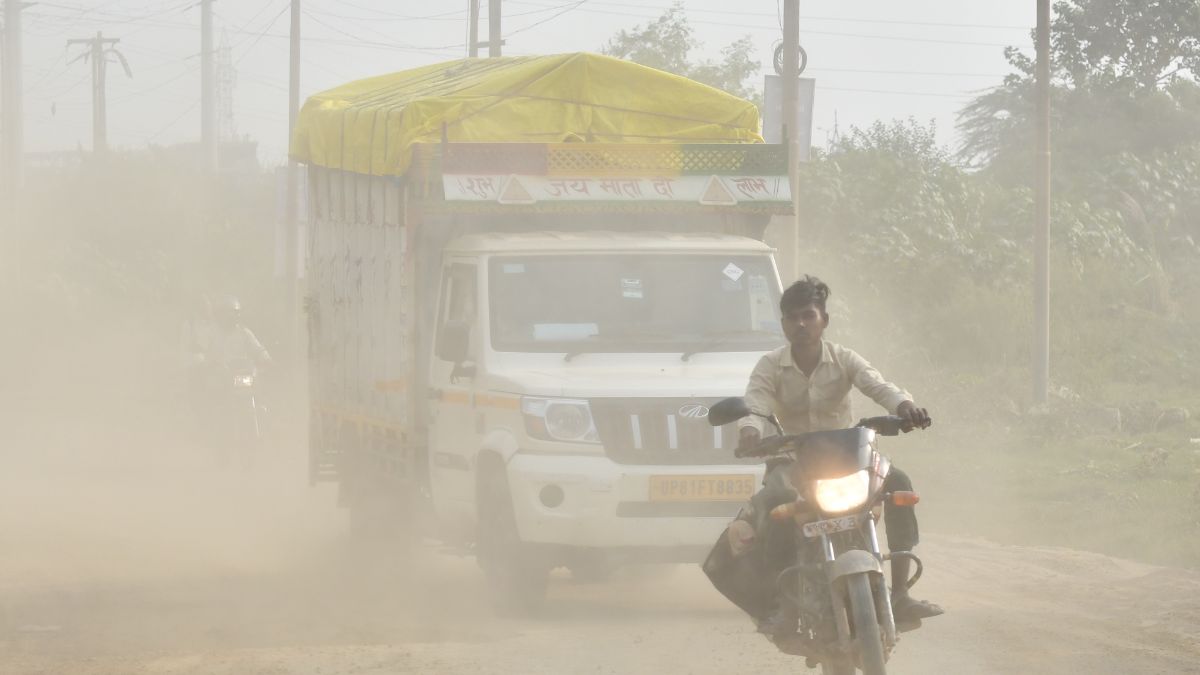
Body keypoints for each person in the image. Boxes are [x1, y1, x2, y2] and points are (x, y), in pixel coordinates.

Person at [735, 275, 943, 634]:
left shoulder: (844, 358)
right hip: (792, 460)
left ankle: (899, 592)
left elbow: (877, 385)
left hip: (847, 455)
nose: (801, 324)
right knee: (774, 502)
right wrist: (751, 430)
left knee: (899, 483)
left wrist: (906, 406)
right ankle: (785, 607)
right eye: (793, 317)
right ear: (783, 324)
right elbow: (755, 402)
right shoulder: (770, 365)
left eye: (808, 315)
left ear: (823, 320)